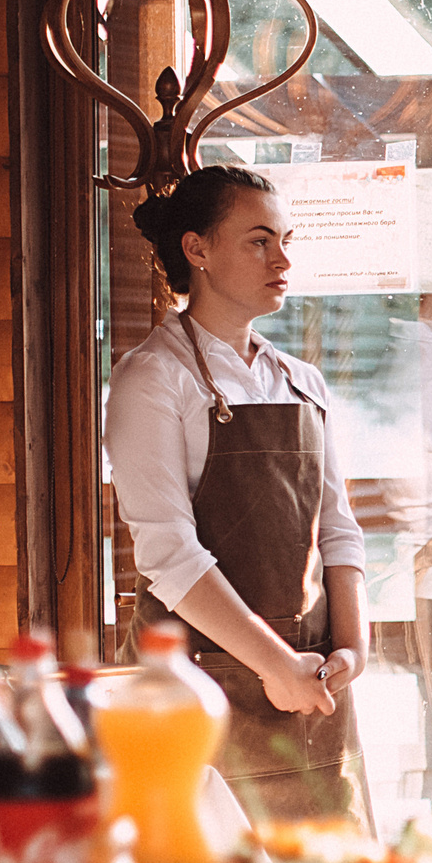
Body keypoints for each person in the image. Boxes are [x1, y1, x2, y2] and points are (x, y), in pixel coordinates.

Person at [107, 164, 372, 828]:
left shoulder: (301, 380)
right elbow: (170, 555)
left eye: (286, 239)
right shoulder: (152, 378)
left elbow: (339, 530)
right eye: (259, 241)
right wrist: (274, 665)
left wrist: (352, 648)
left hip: (309, 687)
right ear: (196, 250)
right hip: (194, 690)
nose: (282, 258)